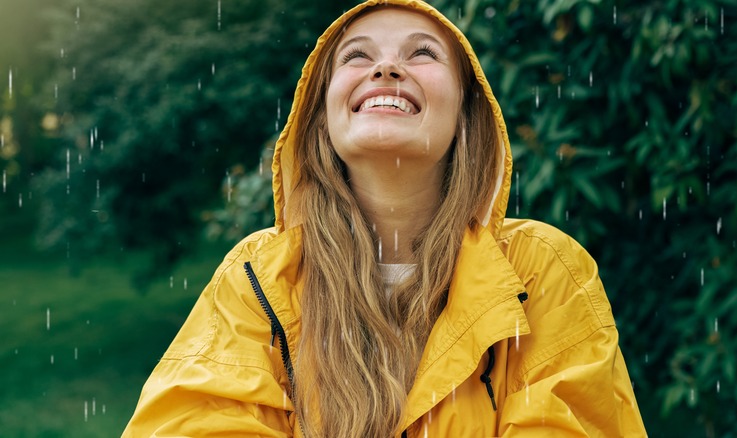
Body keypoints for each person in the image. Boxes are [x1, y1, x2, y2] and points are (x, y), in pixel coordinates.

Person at [123, 0, 646, 436]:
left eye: (422, 53)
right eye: (357, 56)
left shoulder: (541, 269)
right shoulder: (258, 277)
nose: (386, 68)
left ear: (467, 115)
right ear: (321, 116)